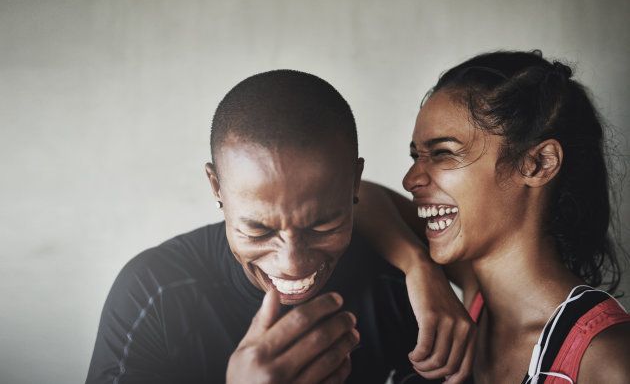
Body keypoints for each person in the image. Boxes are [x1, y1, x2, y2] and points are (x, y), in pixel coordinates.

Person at [85, 70, 475, 384]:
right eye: (258, 231)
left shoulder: (397, 287)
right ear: (217, 188)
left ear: (353, 183)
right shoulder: (154, 294)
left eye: (323, 225)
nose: (292, 263)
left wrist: (419, 266)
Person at [366, 50, 630, 383]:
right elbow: (353, 197)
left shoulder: (606, 358)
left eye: (442, 153)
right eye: (416, 155)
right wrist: (417, 267)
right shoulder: (478, 299)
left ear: (538, 163)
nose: (410, 179)